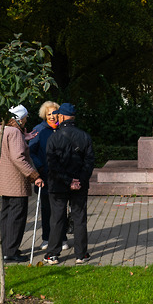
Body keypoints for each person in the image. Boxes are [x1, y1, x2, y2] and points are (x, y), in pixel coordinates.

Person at [43, 103, 94, 265]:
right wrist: (80, 180)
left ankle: (53, 254)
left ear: (62, 117)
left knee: (57, 218)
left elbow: (52, 164)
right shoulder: (85, 136)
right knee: (79, 218)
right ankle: (81, 254)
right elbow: (89, 161)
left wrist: (67, 180)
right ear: (73, 117)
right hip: (79, 185)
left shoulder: (54, 137)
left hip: (58, 185)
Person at [0, 104, 44, 263]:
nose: (26, 120)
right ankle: (11, 251)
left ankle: (5, 248)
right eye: (25, 118)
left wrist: (24, 137)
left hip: (3, 180)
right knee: (17, 217)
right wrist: (34, 176)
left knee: (6, 215)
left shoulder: (0, 129)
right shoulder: (15, 132)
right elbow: (18, 158)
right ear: (20, 119)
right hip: (15, 181)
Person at [28, 101, 68, 251]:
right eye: (48, 114)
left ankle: (62, 238)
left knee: (61, 208)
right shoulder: (38, 130)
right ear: (44, 115)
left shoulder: (63, 129)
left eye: (54, 113)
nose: (52, 116)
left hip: (61, 176)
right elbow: (31, 151)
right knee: (46, 209)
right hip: (44, 175)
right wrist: (40, 166)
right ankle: (46, 238)